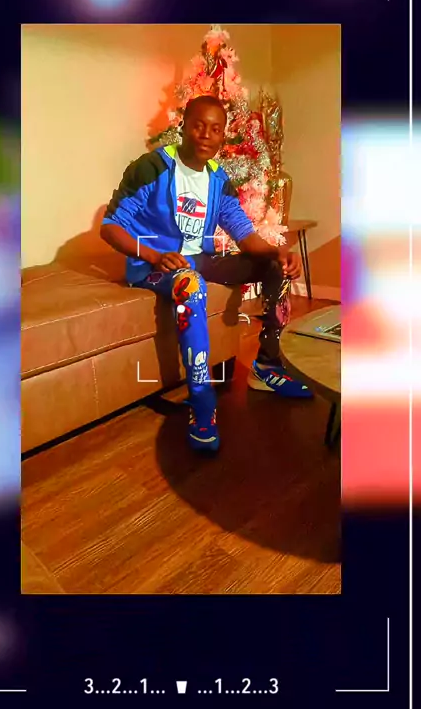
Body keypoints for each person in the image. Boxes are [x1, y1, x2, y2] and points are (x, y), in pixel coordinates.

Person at [101, 95, 312, 454]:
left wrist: (277, 251)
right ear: (183, 126)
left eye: (215, 129)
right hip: (153, 267)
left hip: (198, 258)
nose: (206, 135)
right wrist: (153, 255)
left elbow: (242, 233)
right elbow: (110, 226)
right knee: (191, 284)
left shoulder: (218, 179)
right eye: (198, 125)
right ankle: (201, 403)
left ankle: (267, 366)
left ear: (222, 136)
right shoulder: (151, 167)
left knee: (274, 267)